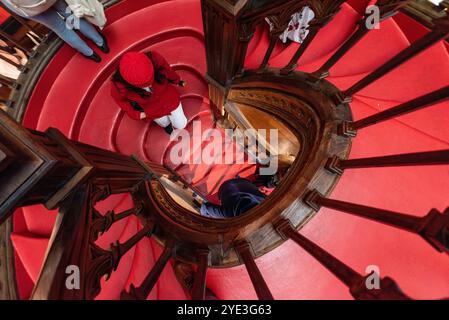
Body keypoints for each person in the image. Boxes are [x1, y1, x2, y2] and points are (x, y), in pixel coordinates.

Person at [1, 0, 108, 62]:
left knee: (60, 28)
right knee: (71, 15)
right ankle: (100, 41)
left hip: (29, 8)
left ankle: (89, 53)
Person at [111, 51, 188, 135]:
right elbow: (120, 101)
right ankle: (167, 127)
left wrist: (177, 80)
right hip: (153, 110)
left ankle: (171, 125)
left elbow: (167, 70)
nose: (150, 84)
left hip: (170, 101)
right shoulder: (118, 86)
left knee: (181, 124)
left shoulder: (156, 59)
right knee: (163, 122)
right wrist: (137, 114)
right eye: (144, 85)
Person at [200, 178, 266, 219]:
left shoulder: (265, 204)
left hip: (245, 182)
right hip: (225, 186)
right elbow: (205, 207)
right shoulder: (228, 214)